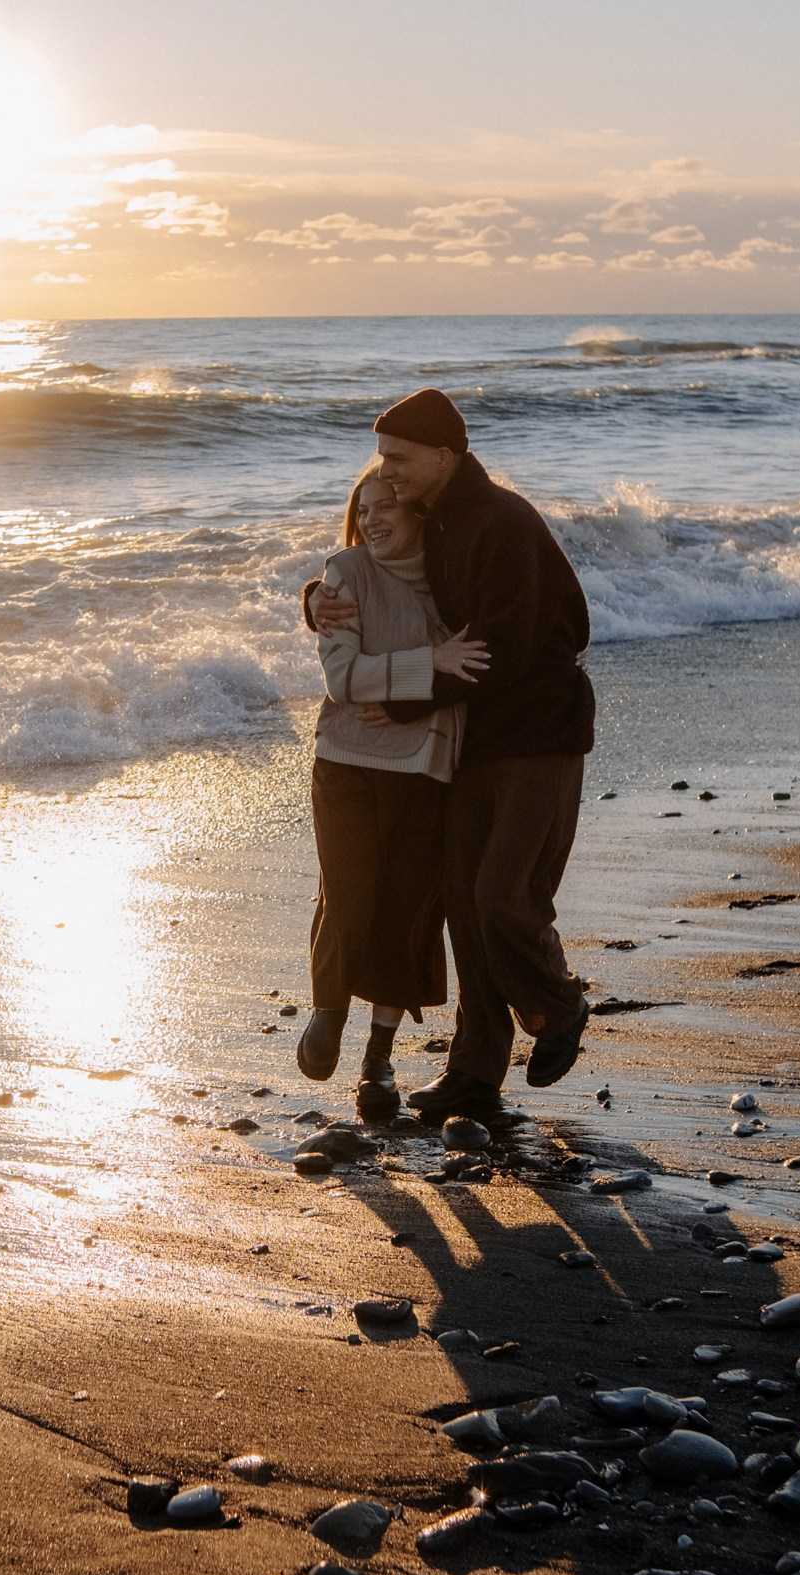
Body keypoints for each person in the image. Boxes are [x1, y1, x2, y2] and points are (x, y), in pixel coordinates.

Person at [307, 388, 595, 1120]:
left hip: (538, 735)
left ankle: (558, 1007)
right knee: (465, 909)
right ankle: (474, 1071)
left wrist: (399, 698)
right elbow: (386, 570)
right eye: (381, 459)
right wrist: (319, 595)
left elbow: (492, 654)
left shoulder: (503, 521)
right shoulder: (435, 522)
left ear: (444, 457)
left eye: (398, 459)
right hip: (473, 741)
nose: (387, 472)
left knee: (504, 895)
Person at [298, 465, 489, 1113]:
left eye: (388, 506)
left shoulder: (452, 580)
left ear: (418, 514)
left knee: (406, 912)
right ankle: (329, 1009)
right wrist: (427, 665)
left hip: (424, 766)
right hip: (347, 761)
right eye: (364, 507)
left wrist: (415, 689)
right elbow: (343, 679)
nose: (374, 518)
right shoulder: (345, 574)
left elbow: (479, 665)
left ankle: (378, 1059)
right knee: (348, 892)